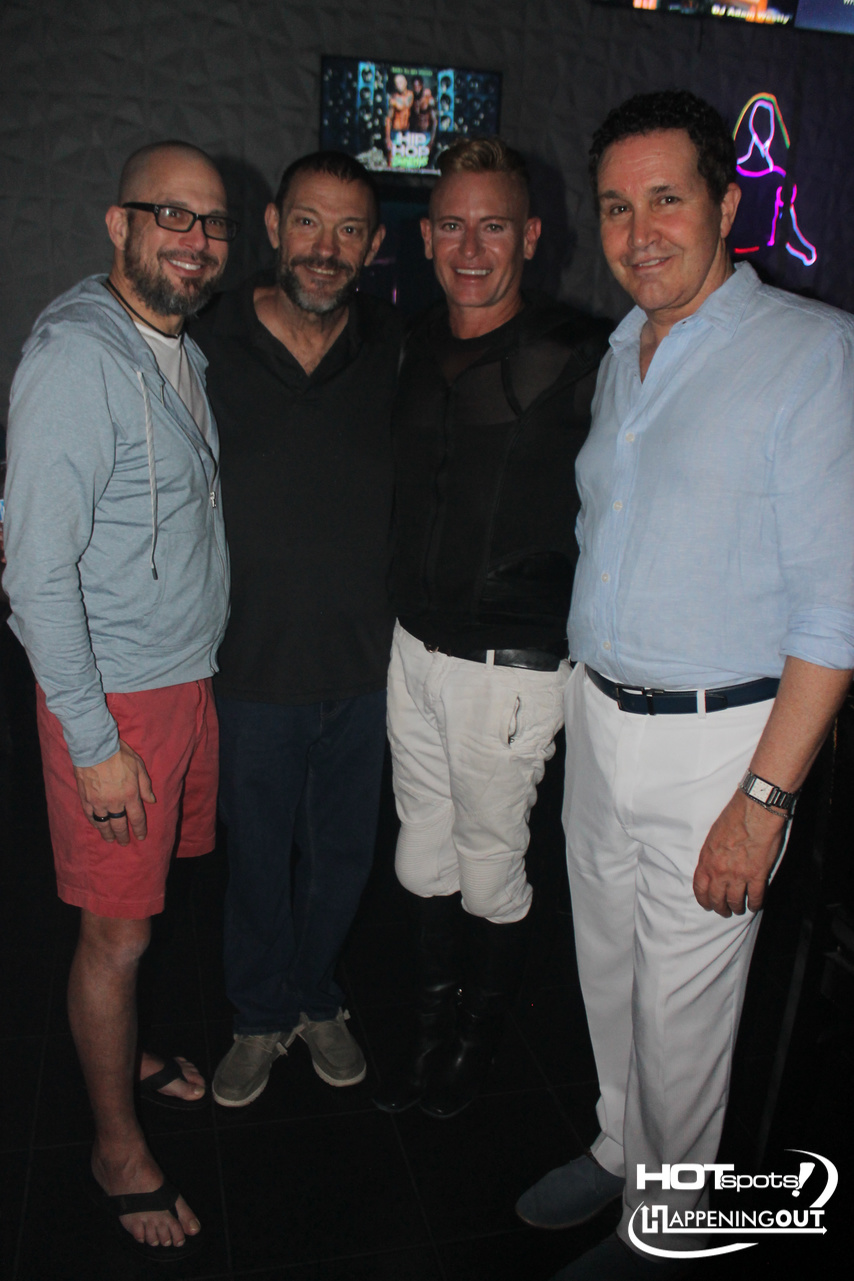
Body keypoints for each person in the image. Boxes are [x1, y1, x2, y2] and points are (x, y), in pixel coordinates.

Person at [515, 90, 854, 1280]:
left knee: (683, 1017)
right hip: (600, 716)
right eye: (615, 206)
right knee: (605, 970)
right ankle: (620, 1146)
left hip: (720, 743)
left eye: (665, 198)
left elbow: (834, 611)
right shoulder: (623, 352)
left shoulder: (811, 354)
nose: (637, 230)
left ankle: (669, 1227)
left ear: (724, 205)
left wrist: (760, 802)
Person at [2, 141, 234, 1259]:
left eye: (212, 221)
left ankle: (127, 1053)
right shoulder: (76, 358)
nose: (195, 238)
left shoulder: (175, 344)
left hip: (179, 679)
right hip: (117, 701)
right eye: (169, 215)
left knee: (142, 912)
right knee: (115, 934)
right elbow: (34, 575)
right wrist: (94, 741)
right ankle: (112, 1145)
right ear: (118, 223)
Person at [375, 137, 611, 1120]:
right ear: (428, 236)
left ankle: (474, 1043)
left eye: (493, 226)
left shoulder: (586, 353)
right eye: (452, 225)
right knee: (418, 857)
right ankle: (431, 1032)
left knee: (488, 867)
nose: (470, 247)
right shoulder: (413, 339)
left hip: (509, 667)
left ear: (531, 235)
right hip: (411, 649)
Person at [190, 152, 402, 1108]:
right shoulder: (206, 340)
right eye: (309, 223)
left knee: (343, 857)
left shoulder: (395, 346)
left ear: (374, 243)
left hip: (365, 667)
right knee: (256, 860)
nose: (326, 247)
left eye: (349, 229)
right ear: (275, 225)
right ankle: (257, 1012)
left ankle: (316, 997)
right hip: (248, 660)